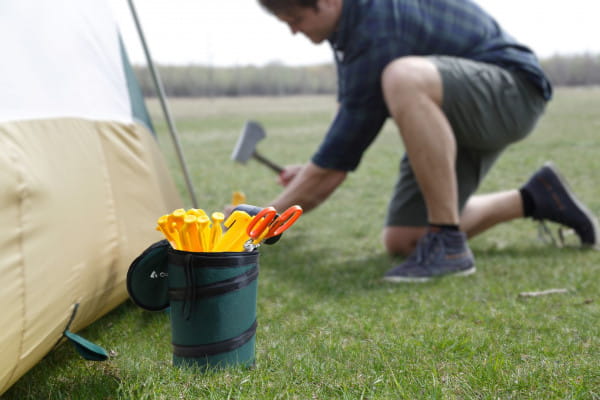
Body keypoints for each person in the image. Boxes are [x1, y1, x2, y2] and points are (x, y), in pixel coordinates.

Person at [255, 0, 599, 282]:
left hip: (513, 92)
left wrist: (261, 225)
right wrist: (307, 172)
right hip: (456, 110)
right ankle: (535, 198)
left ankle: (448, 243)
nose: (293, 30)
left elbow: (335, 166)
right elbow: (348, 117)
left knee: (403, 76)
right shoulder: (348, 29)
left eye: (296, 19)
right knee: (404, 238)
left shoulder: (376, 22)